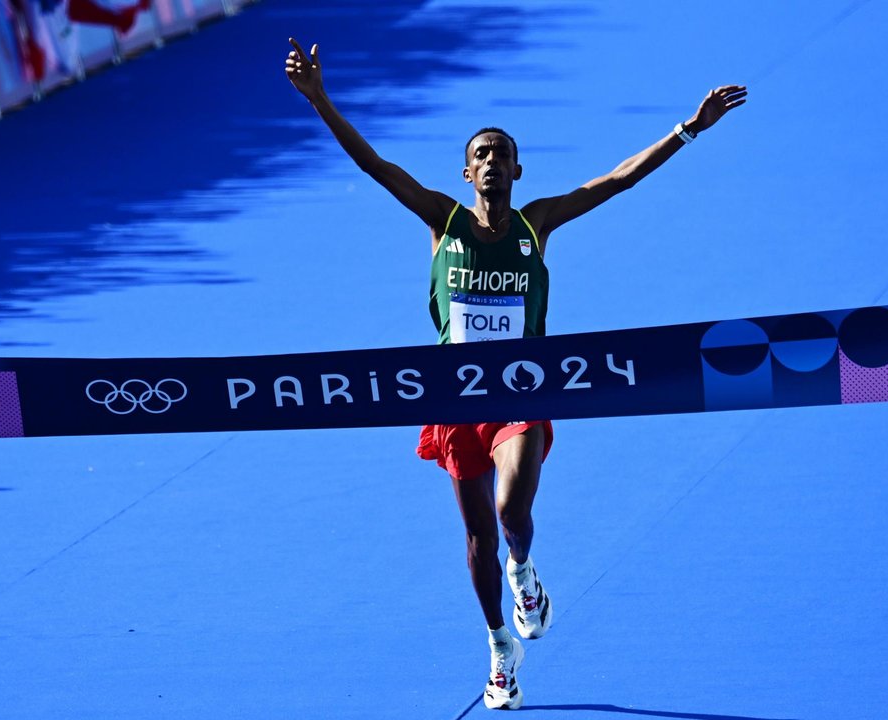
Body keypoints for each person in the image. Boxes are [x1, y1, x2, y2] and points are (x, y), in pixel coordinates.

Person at [284, 38, 745, 710]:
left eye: (501, 154)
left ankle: (524, 568)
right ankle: (500, 646)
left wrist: (687, 129)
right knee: (474, 539)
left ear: (518, 170)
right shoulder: (441, 220)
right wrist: (320, 99)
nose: (491, 162)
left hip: (521, 392)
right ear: (467, 175)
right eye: (480, 156)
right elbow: (374, 164)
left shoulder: (537, 223)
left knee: (509, 511)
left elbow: (614, 180)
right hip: (452, 401)